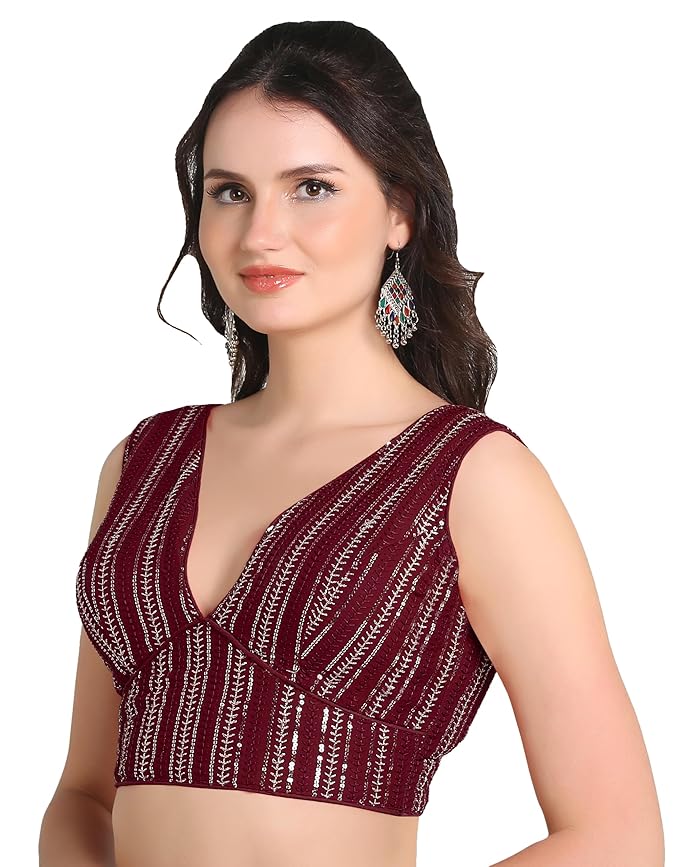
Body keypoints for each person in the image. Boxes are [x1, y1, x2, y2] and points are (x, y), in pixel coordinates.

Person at [39, 19, 664, 867]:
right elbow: (84, 794)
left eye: (310, 187)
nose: (260, 233)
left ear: (399, 209)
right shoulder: (145, 461)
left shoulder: (472, 476)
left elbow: (618, 837)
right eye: (229, 191)